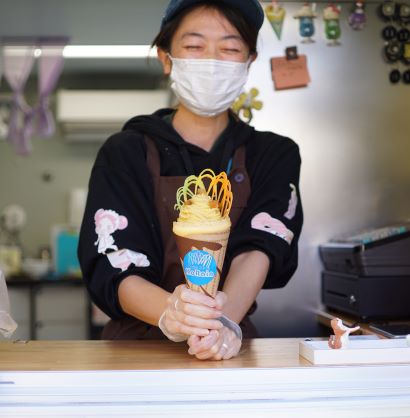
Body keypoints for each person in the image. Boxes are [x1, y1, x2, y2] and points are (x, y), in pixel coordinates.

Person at [78, 0, 303, 360]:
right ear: (166, 58)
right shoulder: (126, 152)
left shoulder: (273, 154)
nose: (212, 61)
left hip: (231, 345)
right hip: (135, 351)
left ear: (249, 62)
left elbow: (259, 247)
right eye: (195, 46)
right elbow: (112, 258)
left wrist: (221, 326)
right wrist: (173, 312)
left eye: (229, 48)